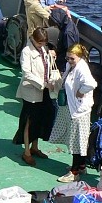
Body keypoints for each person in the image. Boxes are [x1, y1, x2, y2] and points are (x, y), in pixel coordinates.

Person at [48, 44, 97, 182]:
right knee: (77, 139)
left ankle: (74, 172)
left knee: (77, 141)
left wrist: (81, 92)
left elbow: (91, 84)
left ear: (79, 57)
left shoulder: (82, 69)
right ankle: (81, 166)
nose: (69, 61)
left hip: (78, 110)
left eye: (72, 59)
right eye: (67, 58)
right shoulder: (71, 66)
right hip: (70, 107)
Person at [13, 27, 61, 166]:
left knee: (39, 119)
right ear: (33, 39)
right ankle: (26, 152)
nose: (42, 45)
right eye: (40, 43)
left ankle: (35, 147)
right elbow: (26, 73)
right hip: (32, 92)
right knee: (29, 121)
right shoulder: (26, 52)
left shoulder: (44, 49)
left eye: (44, 43)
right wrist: (43, 84)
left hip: (44, 91)